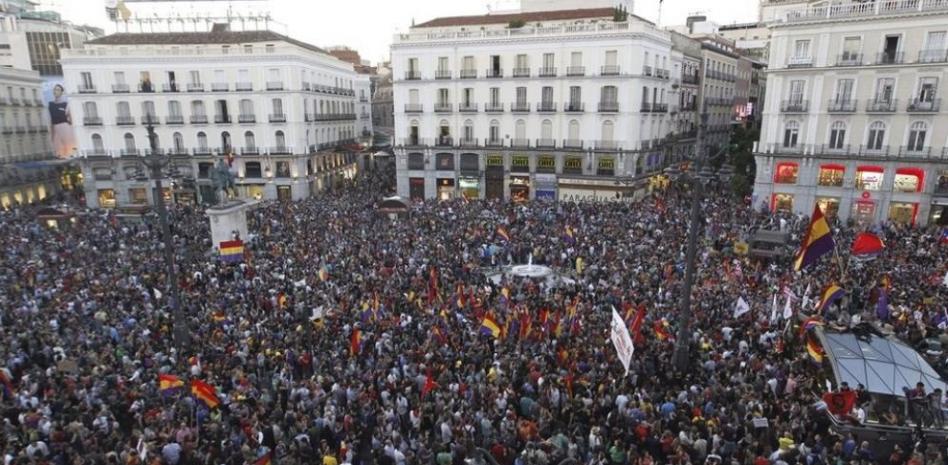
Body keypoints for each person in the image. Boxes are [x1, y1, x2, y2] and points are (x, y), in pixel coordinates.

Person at [48, 84, 76, 158]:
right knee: (58, 147)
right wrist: (51, 132)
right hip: (55, 127)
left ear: (61, 92)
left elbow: (70, 117)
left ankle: (70, 155)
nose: (55, 91)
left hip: (65, 127)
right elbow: (51, 119)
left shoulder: (66, 104)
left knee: (68, 146)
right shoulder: (50, 104)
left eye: (57, 90)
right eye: (54, 89)